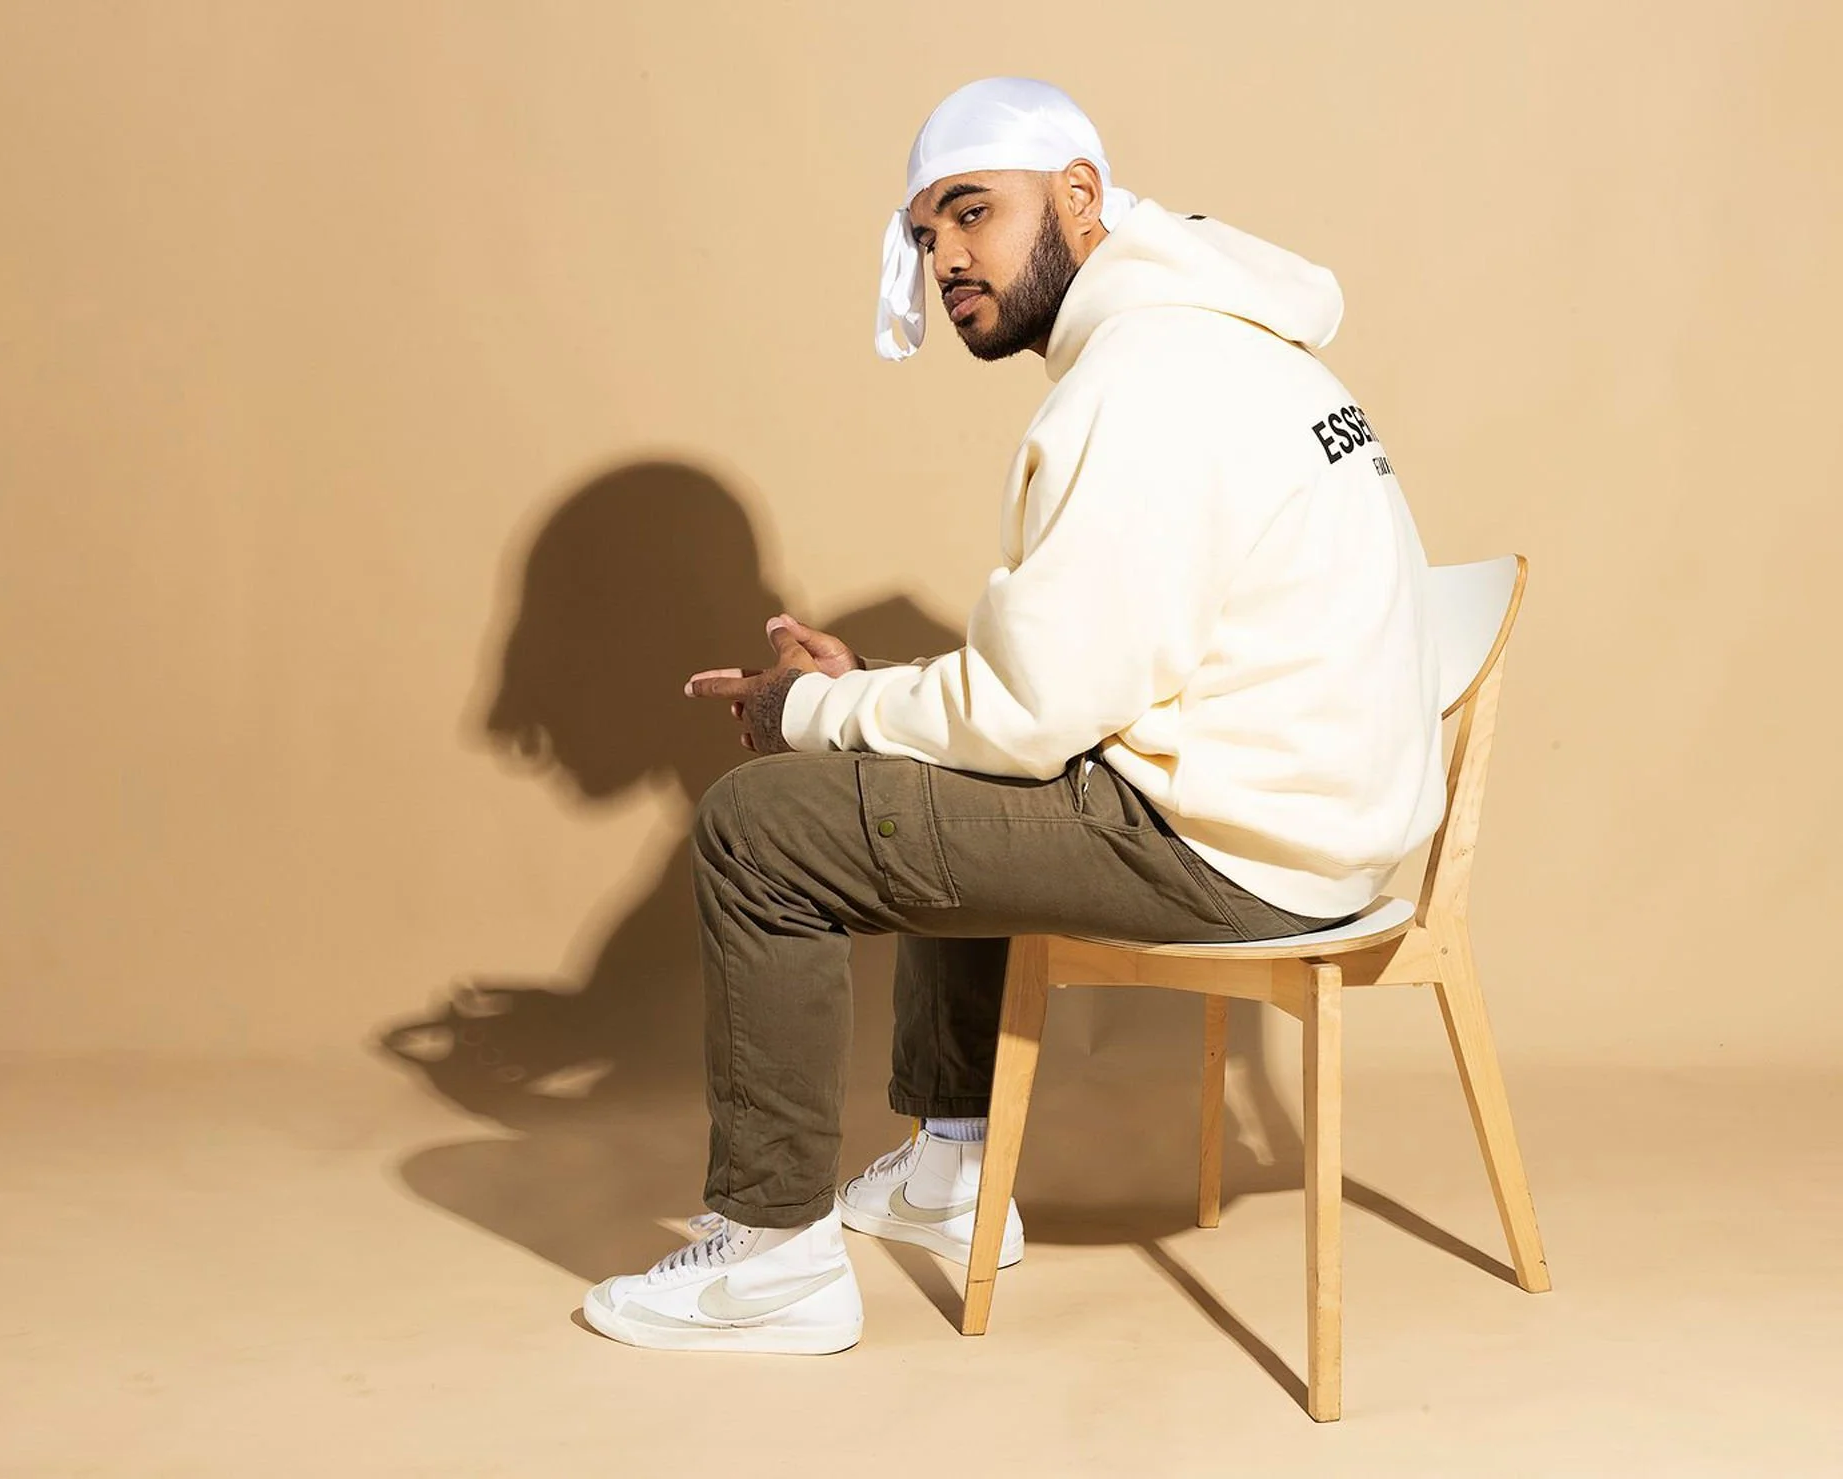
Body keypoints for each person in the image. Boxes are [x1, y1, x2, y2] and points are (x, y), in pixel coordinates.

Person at [580, 77, 1445, 1355]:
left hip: (1242, 846)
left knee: (758, 828)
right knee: (919, 746)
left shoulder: (1140, 381)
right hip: (1318, 819)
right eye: (925, 234)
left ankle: (767, 1268)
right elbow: (1074, 684)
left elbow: (1030, 716)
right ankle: (948, 1173)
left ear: (1079, 197)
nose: (945, 260)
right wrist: (868, 699)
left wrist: (814, 709)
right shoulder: (1218, 340)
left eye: (972, 214)